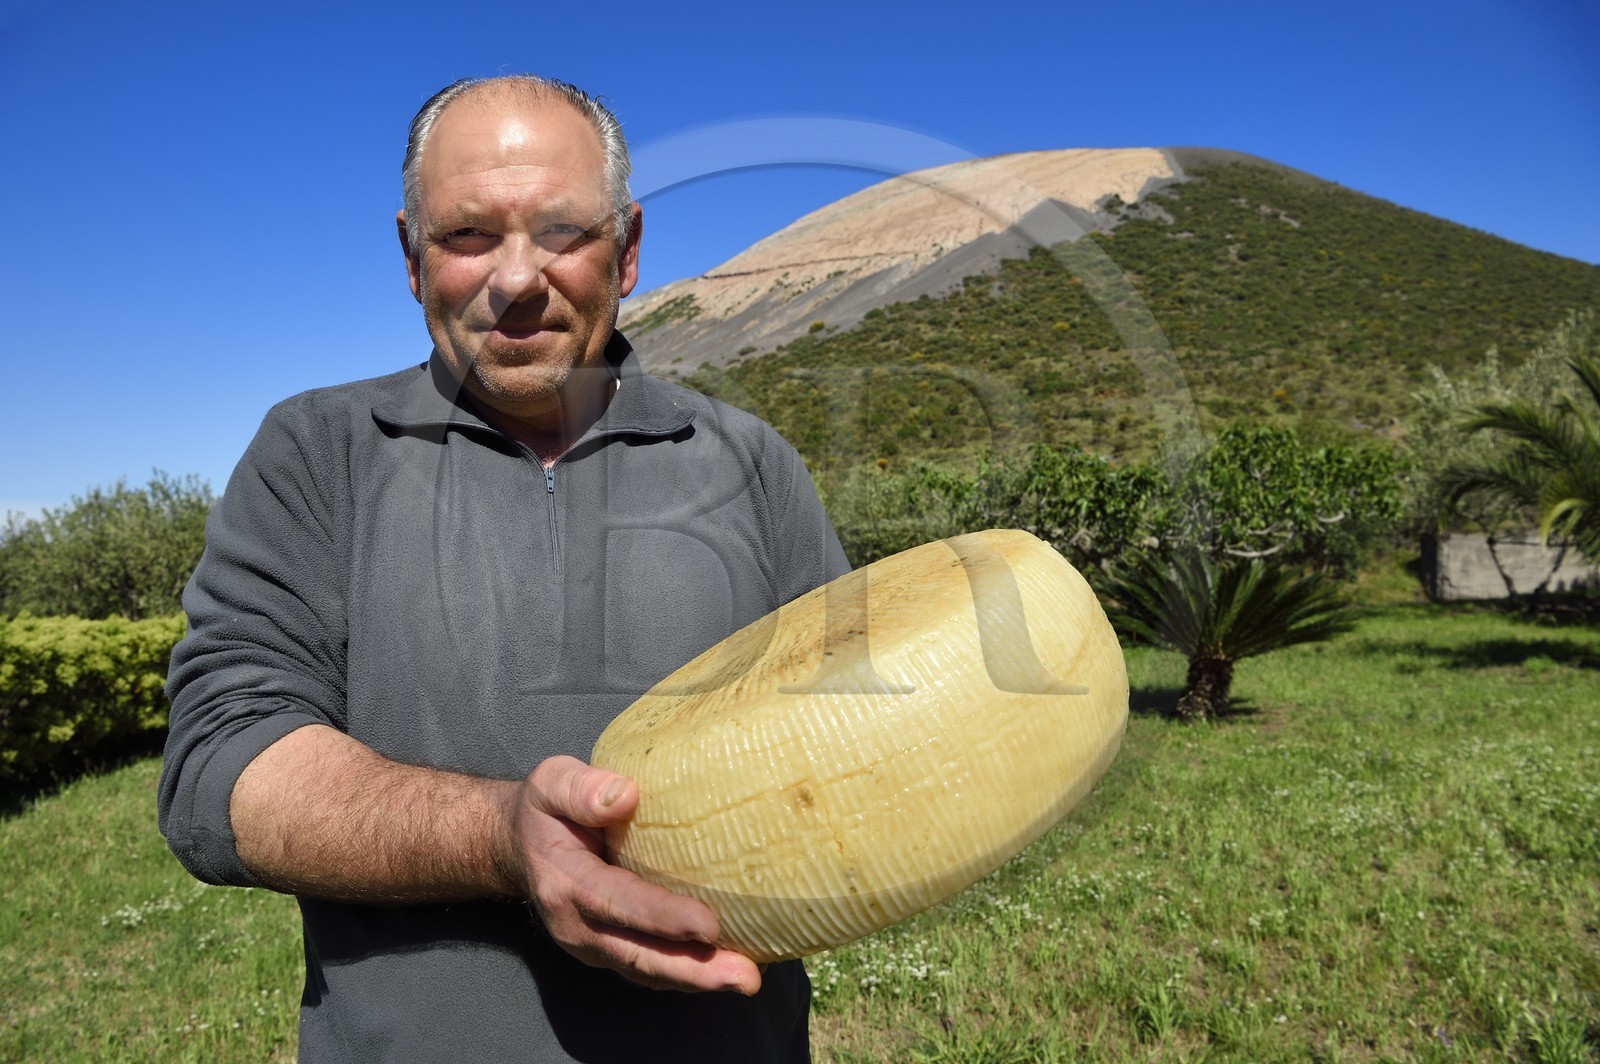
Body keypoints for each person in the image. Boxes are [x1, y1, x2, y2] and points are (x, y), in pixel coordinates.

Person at [158, 74, 848, 1063]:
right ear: (410, 256)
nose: (518, 278)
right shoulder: (315, 452)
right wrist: (497, 833)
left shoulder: (752, 463)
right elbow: (219, 765)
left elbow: (852, 736)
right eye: (469, 235)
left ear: (631, 249)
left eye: (564, 231)